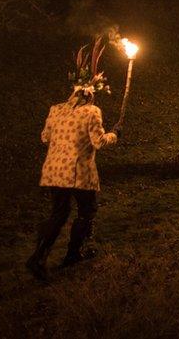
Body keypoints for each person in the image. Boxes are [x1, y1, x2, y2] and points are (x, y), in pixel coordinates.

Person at [27, 39, 118, 281]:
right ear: (90, 94)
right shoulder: (92, 112)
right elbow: (98, 142)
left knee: (59, 213)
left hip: (54, 171)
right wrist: (114, 135)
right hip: (78, 172)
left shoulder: (55, 109)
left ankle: (38, 257)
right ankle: (73, 254)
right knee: (87, 210)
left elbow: (45, 137)